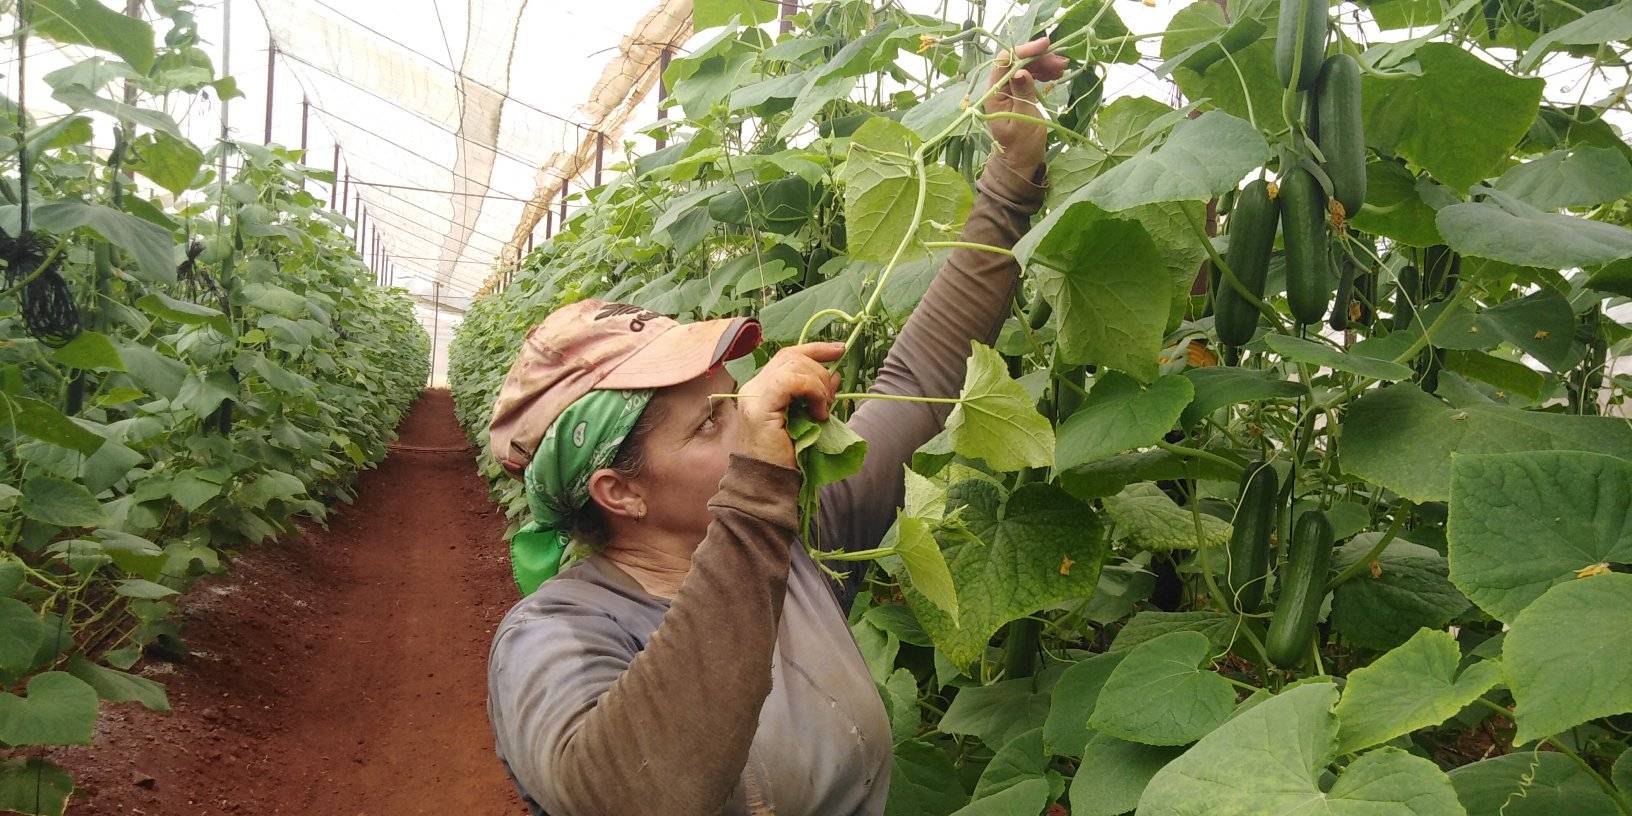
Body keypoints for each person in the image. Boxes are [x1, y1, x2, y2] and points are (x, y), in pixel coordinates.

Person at [484, 36, 1067, 816]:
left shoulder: (803, 538)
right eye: (707, 423)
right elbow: (621, 793)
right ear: (619, 490)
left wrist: (1012, 175)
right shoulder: (552, 634)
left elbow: (921, 379)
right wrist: (755, 494)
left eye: (737, 393)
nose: (753, 415)